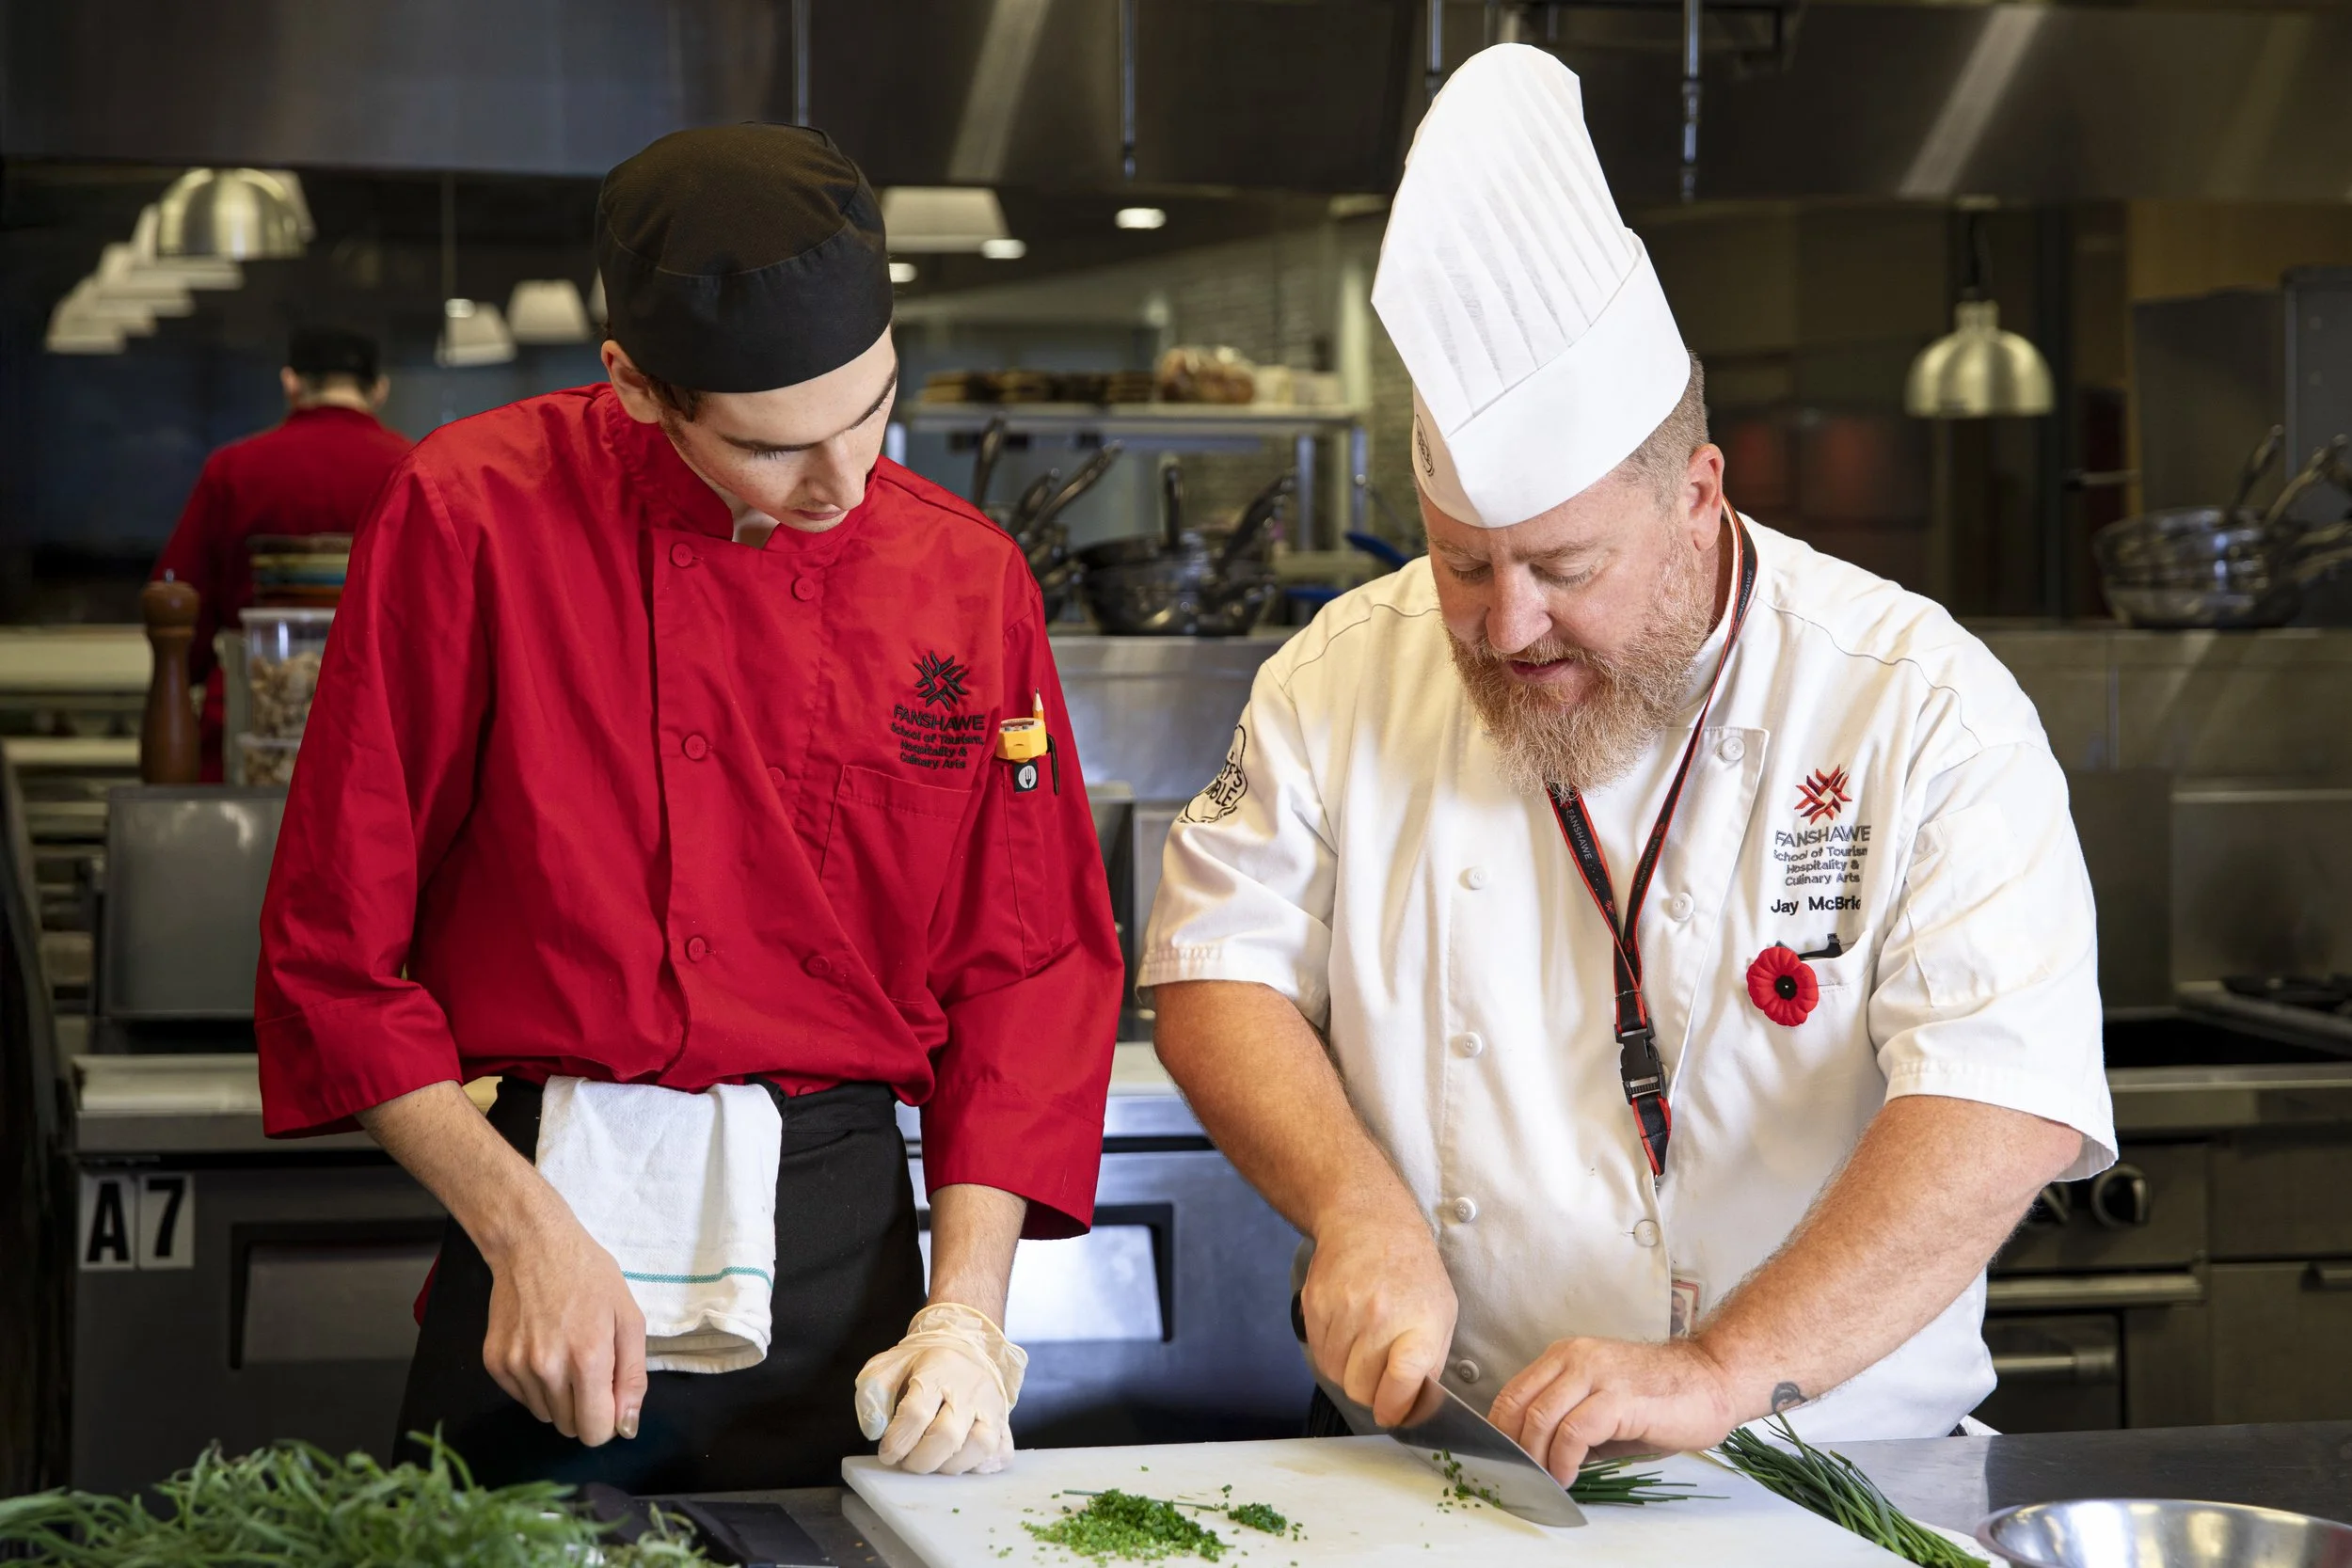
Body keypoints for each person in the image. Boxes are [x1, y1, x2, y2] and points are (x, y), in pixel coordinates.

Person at [1141, 44, 2114, 1477]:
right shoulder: (1343, 671)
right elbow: (1217, 968)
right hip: (1451, 1457)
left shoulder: (1920, 706)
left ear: (1699, 495)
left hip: (1830, 1467)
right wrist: (1354, 1205)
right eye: (1463, 562)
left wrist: (1718, 1369)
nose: (1506, 624)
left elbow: (1997, 1099)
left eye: (1564, 566)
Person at [256, 124, 1123, 1490]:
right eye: (775, 448)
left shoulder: (966, 579)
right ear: (634, 383)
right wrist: (523, 1230)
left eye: (873, 409)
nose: (845, 484)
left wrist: (966, 1309)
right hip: (537, 1213)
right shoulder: (468, 513)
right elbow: (332, 953)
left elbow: (1029, 965)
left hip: (845, 1247)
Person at [151, 326, 409, 780]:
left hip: (252, 723)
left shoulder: (232, 469)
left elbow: (180, 603)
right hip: (380, 726)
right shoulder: (411, 469)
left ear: (291, 382)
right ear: (380, 389)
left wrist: (194, 674)